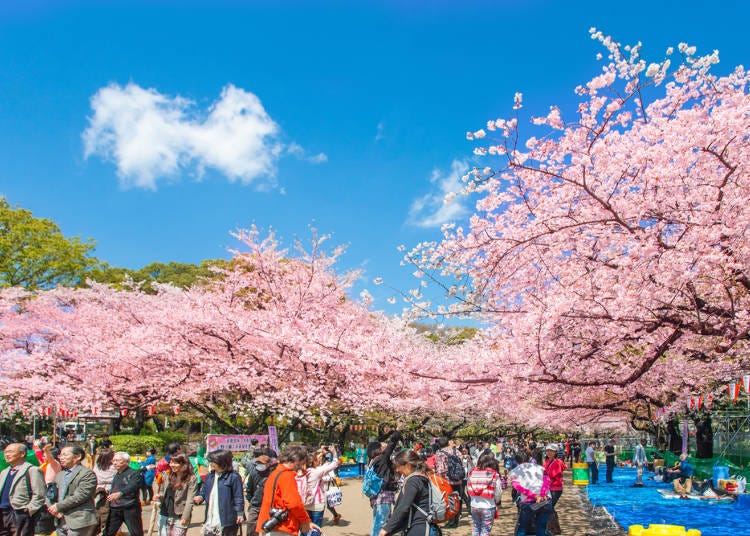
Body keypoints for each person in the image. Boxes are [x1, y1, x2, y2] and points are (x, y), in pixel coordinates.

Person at [256, 445, 315, 536]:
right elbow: (294, 503)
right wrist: (305, 520)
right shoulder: (286, 475)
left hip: (270, 523)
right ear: (295, 460)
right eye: (300, 464)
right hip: (282, 527)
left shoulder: (275, 473)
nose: (300, 467)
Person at [377, 450, 438, 536]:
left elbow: (403, 507)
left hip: (418, 529)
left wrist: (386, 529)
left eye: (398, 466)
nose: (397, 470)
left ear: (408, 465)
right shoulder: (423, 477)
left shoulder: (413, 481)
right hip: (426, 526)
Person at [48, 445, 98, 536]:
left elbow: (81, 495)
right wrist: (52, 508)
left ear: (77, 457)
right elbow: (50, 493)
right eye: (60, 455)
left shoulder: (87, 473)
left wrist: (58, 506)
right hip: (60, 519)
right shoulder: (60, 475)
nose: (61, 458)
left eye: (65, 455)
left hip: (79, 519)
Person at [0, 443, 46, 536]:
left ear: (22, 454)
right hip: (2, 512)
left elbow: (40, 494)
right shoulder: (4, 472)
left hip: (19, 512)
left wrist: (29, 510)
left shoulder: (32, 470)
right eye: (5, 452)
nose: (6, 455)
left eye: (10, 452)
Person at [195, 449, 244, 536]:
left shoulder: (233, 477)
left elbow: (238, 497)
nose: (211, 464)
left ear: (222, 462)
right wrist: (200, 497)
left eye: (213, 461)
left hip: (227, 519)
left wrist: (240, 513)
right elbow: (204, 491)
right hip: (210, 518)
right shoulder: (210, 476)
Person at [367, 428, 401, 536]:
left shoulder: (373, 461)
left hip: (377, 495)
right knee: (380, 523)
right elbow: (391, 444)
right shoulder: (382, 459)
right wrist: (397, 431)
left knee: (381, 521)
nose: (385, 445)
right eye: (382, 445)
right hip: (383, 496)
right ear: (378, 450)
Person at [153, 454, 197, 536]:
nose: (172, 464)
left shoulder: (191, 479)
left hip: (179, 515)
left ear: (183, 464)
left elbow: (190, 500)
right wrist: (159, 496)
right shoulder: (167, 475)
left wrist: (185, 517)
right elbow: (162, 491)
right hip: (164, 513)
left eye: (175, 463)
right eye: (171, 462)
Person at [510, 451, 552, 536]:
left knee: (522, 528)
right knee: (541, 528)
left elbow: (517, 486)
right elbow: (547, 481)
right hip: (546, 500)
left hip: (528, 502)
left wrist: (535, 496)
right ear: (529, 458)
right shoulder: (540, 468)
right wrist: (542, 494)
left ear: (517, 461)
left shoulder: (514, 471)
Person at [105, 452, 144, 536]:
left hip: (130, 507)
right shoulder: (117, 474)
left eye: (118, 460)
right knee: (108, 532)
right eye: (114, 460)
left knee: (136, 532)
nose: (115, 463)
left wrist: (121, 493)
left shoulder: (134, 473)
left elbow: (133, 486)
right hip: (115, 508)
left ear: (127, 462)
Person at [300, 445, 339, 530]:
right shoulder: (317, 472)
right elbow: (334, 464)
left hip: (303, 504)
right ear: (314, 462)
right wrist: (334, 453)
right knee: (316, 530)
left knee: (304, 529)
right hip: (316, 504)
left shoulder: (300, 471)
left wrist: (321, 453)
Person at [466, 452, 502, 536]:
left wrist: (474, 498)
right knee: (485, 531)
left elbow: (468, 488)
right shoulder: (494, 474)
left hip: (474, 505)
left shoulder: (472, 473)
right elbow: (498, 492)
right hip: (488, 506)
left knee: (476, 527)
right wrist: (497, 501)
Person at [434, 437, 463, 528]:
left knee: (449, 502)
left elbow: (440, 470)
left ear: (439, 445)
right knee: (456, 500)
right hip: (458, 480)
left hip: (447, 481)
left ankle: (451, 522)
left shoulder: (440, 453)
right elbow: (461, 464)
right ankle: (455, 521)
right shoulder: (457, 451)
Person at [243, 453, 273, 536]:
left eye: (262, 463)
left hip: (268, 506)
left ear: (268, 464)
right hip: (255, 505)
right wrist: (252, 500)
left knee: (267, 529)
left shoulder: (272, 474)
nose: (259, 465)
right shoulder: (253, 473)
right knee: (251, 526)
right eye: (258, 463)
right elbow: (249, 489)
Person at [92, 449, 116, 535]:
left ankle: (98, 529)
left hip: (98, 491)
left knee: (98, 510)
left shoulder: (97, 466)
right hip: (110, 491)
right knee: (108, 512)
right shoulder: (114, 467)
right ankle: (104, 529)